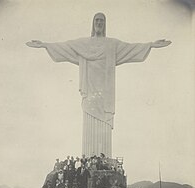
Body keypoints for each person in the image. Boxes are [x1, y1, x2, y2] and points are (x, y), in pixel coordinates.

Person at [26, 13, 171, 158]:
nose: (99, 23)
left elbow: (131, 48)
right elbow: (66, 46)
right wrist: (45, 45)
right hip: (90, 90)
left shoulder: (112, 44)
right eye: (97, 20)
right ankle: (88, 158)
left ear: (105, 23)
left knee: (104, 123)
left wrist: (151, 45)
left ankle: (104, 159)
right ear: (93, 23)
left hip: (105, 92)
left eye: (102, 20)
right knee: (89, 120)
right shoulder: (83, 44)